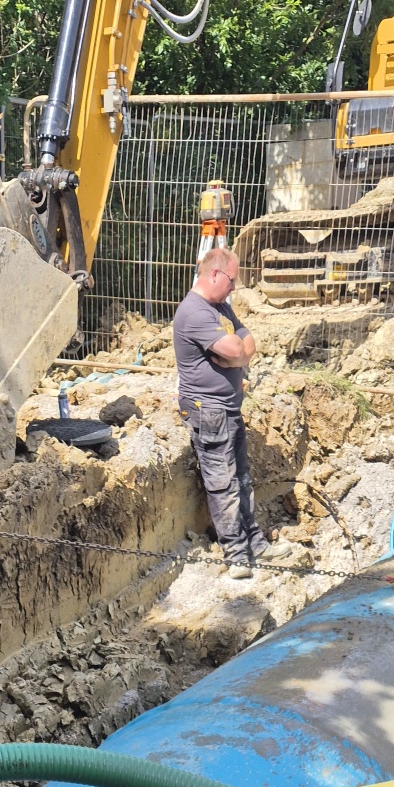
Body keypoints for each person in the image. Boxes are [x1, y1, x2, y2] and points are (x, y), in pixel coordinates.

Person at [172, 247, 265, 577]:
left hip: (229, 408)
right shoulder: (194, 312)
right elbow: (234, 345)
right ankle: (235, 553)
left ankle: (255, 542)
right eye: (231, 279)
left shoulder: (220, 307)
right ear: (214, 274)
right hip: (207, 411)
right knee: (222, 483)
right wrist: (236, 353)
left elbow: (247, 343)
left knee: (241, 477)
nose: (234, 287)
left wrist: (236, 359)